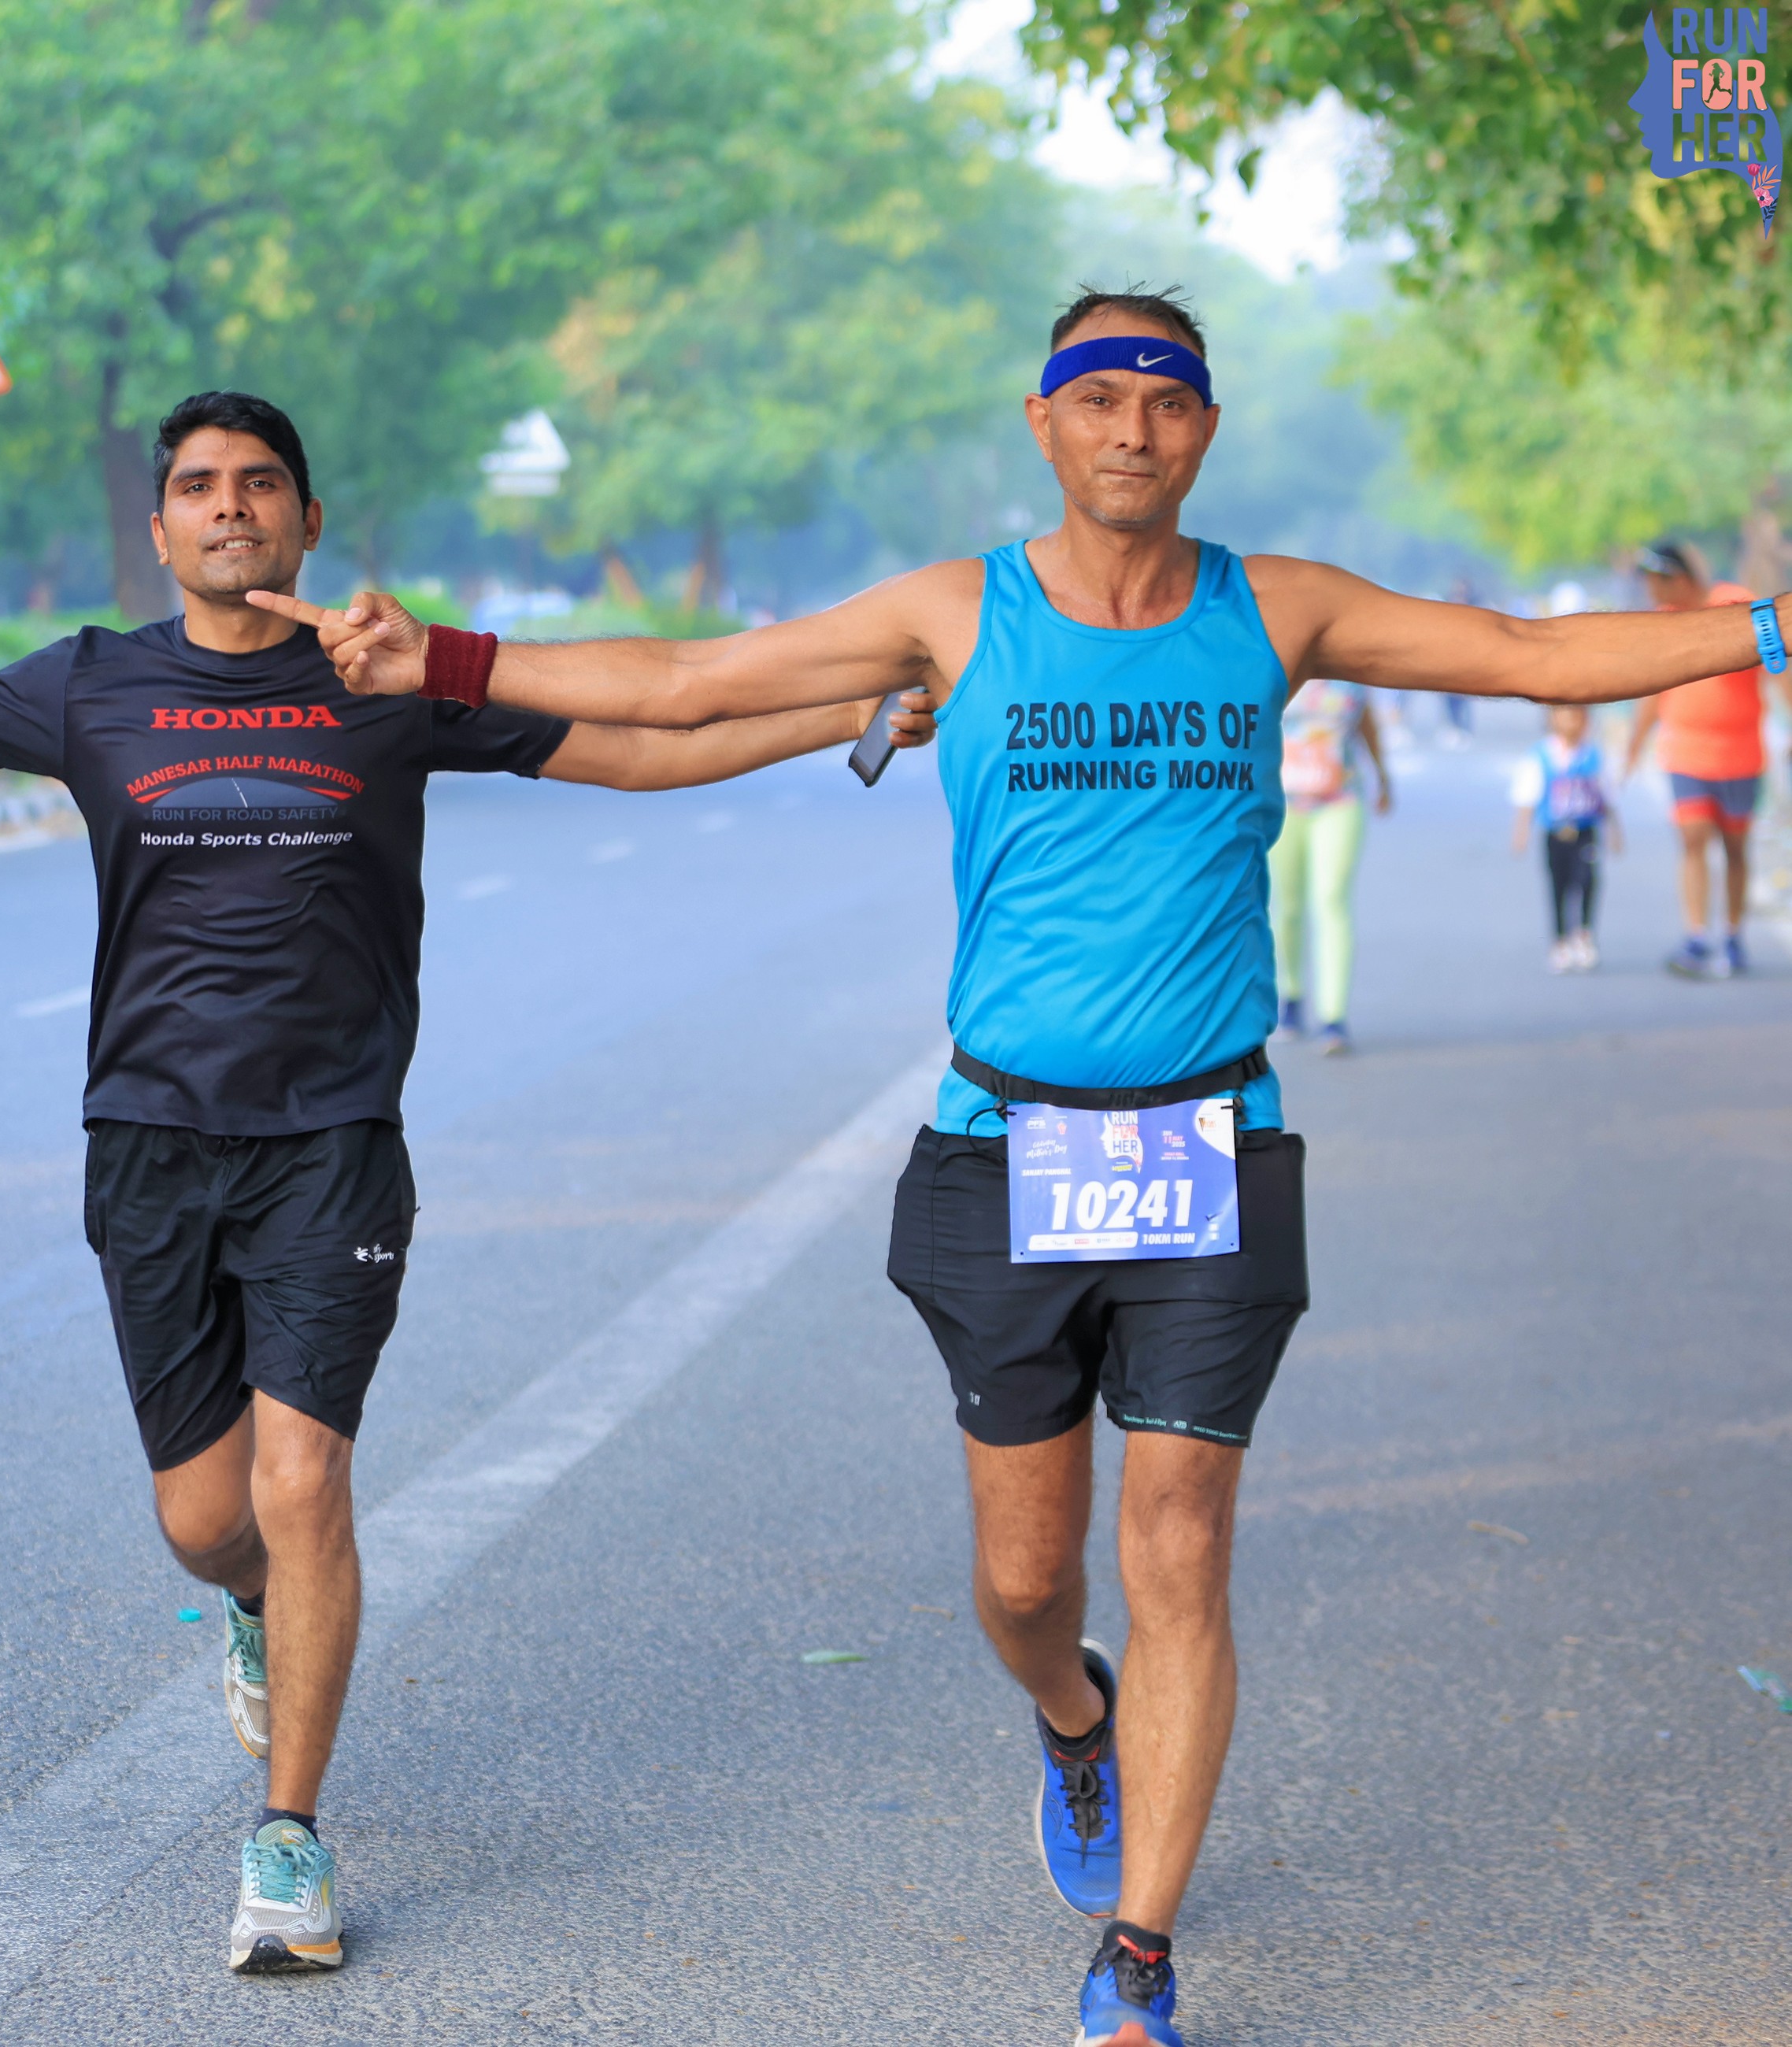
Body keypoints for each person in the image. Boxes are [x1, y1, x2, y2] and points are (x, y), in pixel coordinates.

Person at [254, 289, 1791, 2046]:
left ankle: (1139, 1957)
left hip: (1213, 1143)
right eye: (1100, 396)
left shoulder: (1277, 608)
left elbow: (1528, 651)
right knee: (1024, 1585)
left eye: (1168, 398)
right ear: (1046, 422)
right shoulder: (954, 613)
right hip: (1006, 1152)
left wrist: (1764, 625)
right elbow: (688, 683)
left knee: (1182, 1539)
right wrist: (445, 659)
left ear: (1206, 429)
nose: (1135, 426)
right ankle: (1074, 1717)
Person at [0, 389, 924, 1978]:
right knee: (206, 1522)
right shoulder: (88, 685)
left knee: (304, 1489)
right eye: (199, 485)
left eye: (260, 483)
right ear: (161, 527)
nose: (231, 505)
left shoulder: (382, 676)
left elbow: (647, 749)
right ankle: (252, 1606)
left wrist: (846, 718)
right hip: (150, 1145)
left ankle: (288, 1837)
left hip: (332, 1144)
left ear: (306, 520)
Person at [1621, 540, 1771, 979]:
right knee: (1693, 839)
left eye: (1656, 582)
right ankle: (1697, 936)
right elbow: (1652, 688)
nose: (1651, 592)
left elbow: (1778, 662)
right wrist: (1633, 746)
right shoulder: (1664, 624)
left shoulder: (1736, 604)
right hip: (1686, 752)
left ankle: (1733, 935)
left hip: (1740, 754)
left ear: (1680, 579)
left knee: (1735, 848)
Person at [1267, 677, 1390, 1054]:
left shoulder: (1350, 676)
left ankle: (1333, 1017)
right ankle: (1290, 997)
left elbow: (1368, 725)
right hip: (1282, 803)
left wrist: (1383, 776)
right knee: (1286, 906)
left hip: (1339, 801)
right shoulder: (1277, 663)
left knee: (1331, 899)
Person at [1512, 704, 1621, 972]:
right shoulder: (1540, 756)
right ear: (1551, 719)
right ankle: (1560, 940)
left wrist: (1615, 831)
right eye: (1565, 716)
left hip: (1586, 832)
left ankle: (1584, 935)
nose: (1572, 722)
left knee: (1588, 881)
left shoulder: (1594, 757)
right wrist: (1522, 832)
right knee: (1558, 886)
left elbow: (1608, 797)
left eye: (1578, 716)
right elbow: (1528, 798)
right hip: (1555, 835)